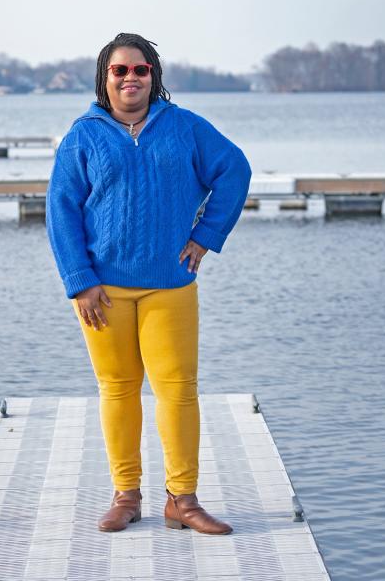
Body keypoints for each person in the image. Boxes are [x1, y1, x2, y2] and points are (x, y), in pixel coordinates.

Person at [45, 32, 252, 534]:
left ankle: (182, 500)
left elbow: (235, 170)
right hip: (103, 292)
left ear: (154, 76)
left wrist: (206, 236)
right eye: (121, 71)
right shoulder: (83, 136)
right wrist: (80, 280)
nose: (131, 78)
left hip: (170, 285)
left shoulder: (184, 128)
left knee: (178, 390)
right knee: (117, 389)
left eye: (141, 69)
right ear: (105, 78)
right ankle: (127, 494)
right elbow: (61, 210)